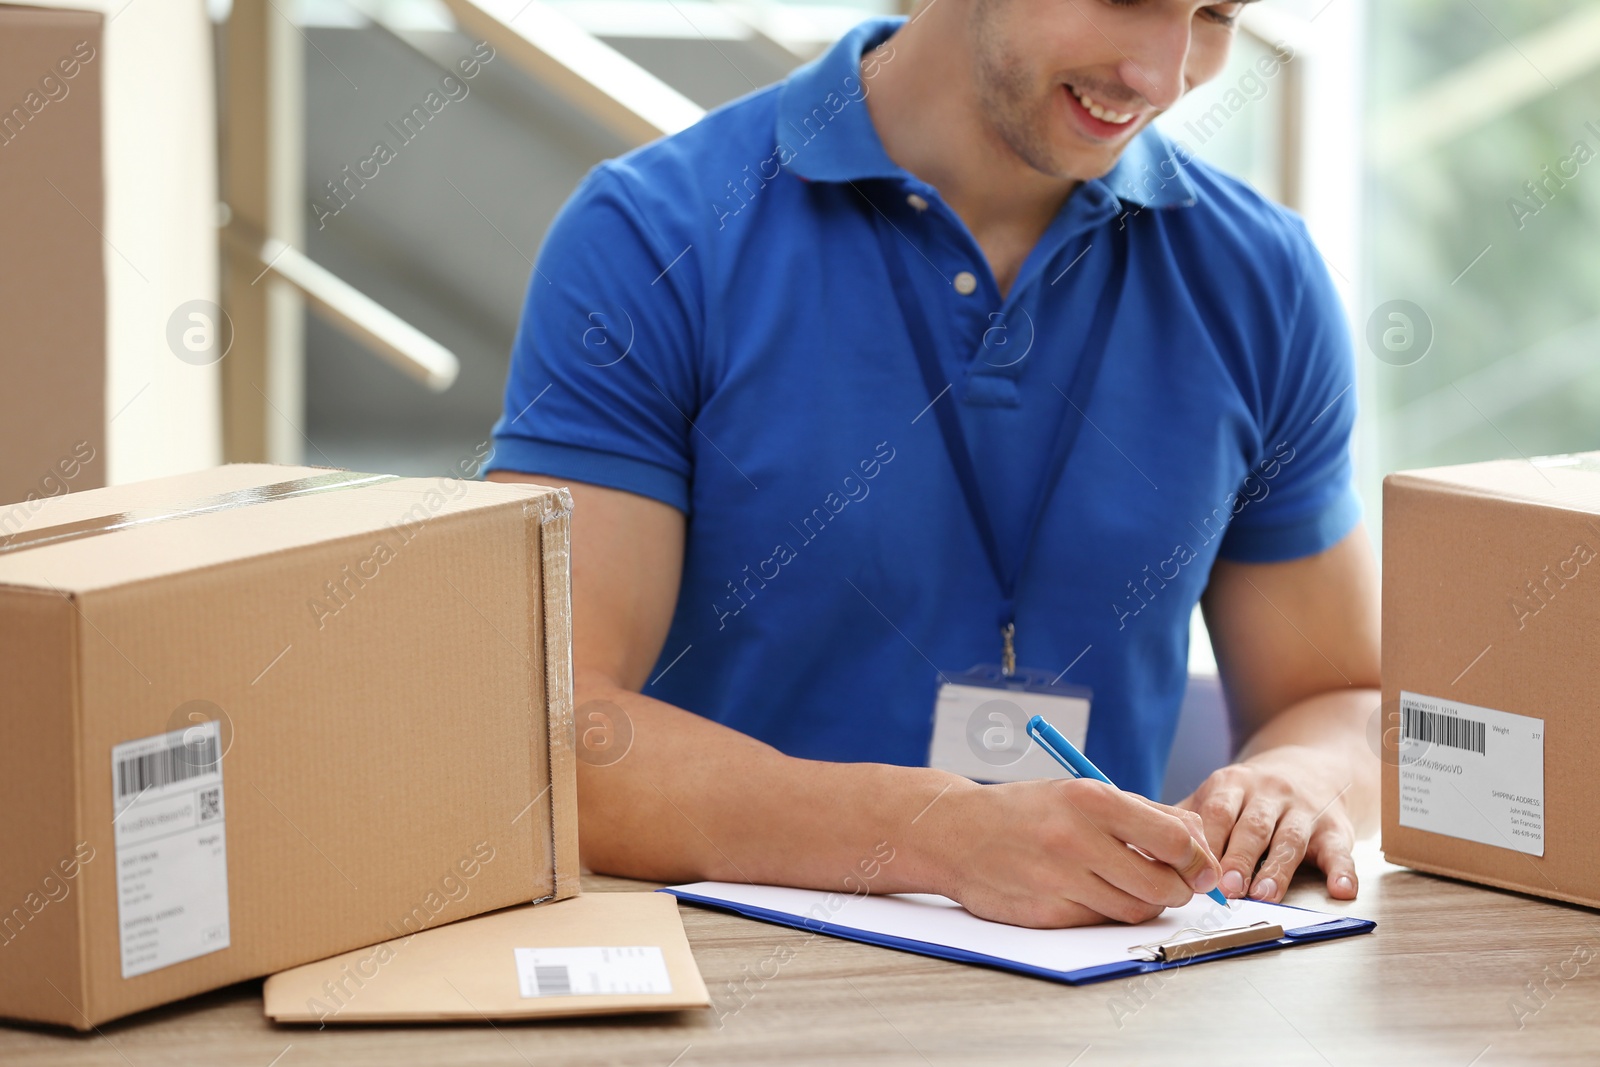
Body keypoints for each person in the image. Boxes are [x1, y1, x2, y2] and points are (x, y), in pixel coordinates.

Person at [486, 0, 1379, 928]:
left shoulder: (1263, 277)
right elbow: (555, 730)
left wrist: (1300, 780)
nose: (1163, 74)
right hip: (732, 992)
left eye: (1214, 13)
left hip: (1096, 1003)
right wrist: (942, 837)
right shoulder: (648, 237)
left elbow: (1338, 695)